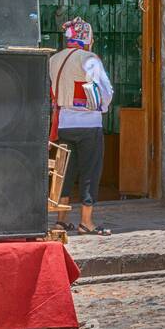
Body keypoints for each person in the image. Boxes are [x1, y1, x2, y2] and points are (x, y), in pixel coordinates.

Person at [49, 17, 114, 236]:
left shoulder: (54, 59)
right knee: (90, 171)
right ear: (86, 37)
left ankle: (61, 220)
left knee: (64, 172)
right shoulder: (89, 58)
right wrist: (102, 108)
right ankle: (87, 221)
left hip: (64, 122)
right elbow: (105, 91)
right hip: (88, 124)